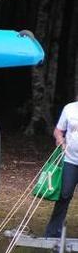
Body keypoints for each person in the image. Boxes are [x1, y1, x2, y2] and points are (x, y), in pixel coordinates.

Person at [45, 97, 78, 237]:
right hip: (70, 160)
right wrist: (60, 140)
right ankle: (52, 234)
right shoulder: (69, 108)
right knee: (64, 195)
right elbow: (58, 130)